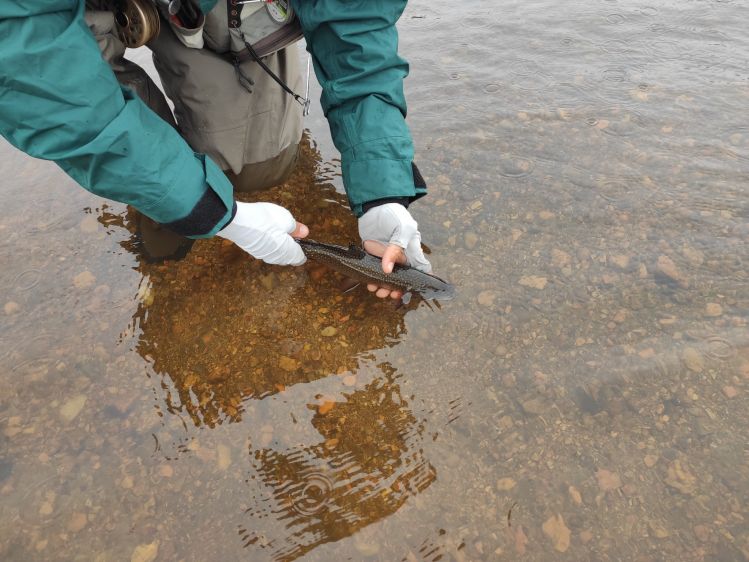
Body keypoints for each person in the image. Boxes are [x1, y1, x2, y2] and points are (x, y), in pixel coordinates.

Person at [0, 0, 432, 299]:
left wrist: (383, 192)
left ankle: (179, 180)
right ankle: (167, 199)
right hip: (54, 22)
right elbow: (41, 86)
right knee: (158, 190)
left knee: (261, 165)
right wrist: (219, 216)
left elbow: (356, 26)